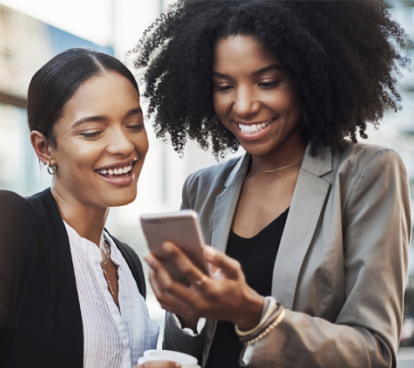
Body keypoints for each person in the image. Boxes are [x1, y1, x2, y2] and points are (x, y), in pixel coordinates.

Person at [134, 1, 412, 367]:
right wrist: (185, 312)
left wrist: (253, 313)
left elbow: (372, 352)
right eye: (224, 86)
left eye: (267, 82)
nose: (244, 105)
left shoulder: (368, 174)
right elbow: (185, 351)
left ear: (308, 75)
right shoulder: (202, 189)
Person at [0, 48, 169, 368]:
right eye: (93, 132)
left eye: (134, 124)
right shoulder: (3, 225)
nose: (124, 145)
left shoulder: (129, 263)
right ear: (44, 147)